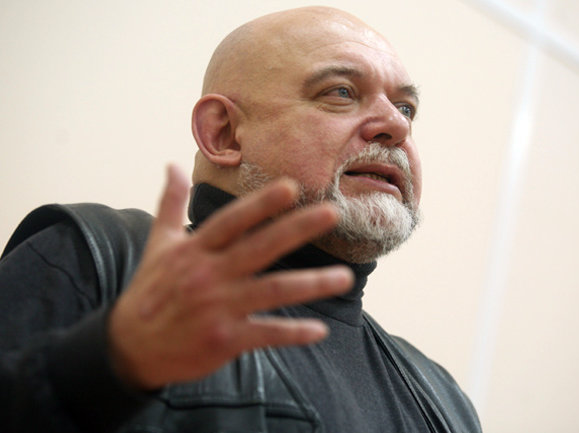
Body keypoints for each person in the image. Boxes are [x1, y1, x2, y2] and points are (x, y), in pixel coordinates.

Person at [0, 6, 481, 433]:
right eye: (340, 92)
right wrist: (105, 365)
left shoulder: (446, 402)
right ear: (224, 133)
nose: (396, 125)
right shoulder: (97, 260)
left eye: (405, 107)